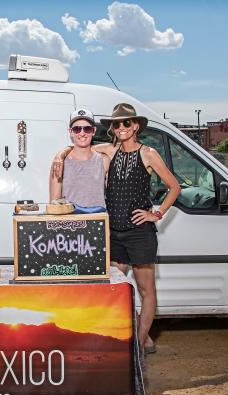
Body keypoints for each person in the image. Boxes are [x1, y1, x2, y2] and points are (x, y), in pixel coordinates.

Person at [54, 103, 180, 354]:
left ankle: (139, 343)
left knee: (146, 290)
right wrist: (60, 155)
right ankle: (137, 333)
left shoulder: (149, 153)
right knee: (116, 290)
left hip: (139, 233)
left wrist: (156, 214)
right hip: (114, 232)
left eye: (126, 123)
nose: (121, 127)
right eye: (116, 124)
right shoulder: (109, 151)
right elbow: (79, 147)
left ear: (136, 126)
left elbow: (174, 187)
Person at [49, 108, 110, 209]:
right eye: (77, 129)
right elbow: (54, 203)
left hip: (98, 220)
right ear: (71, 132)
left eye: (87, 129)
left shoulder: (104, 160)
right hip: (71, 221)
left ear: (94, 131)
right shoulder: (60, 162)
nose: (82, 133)